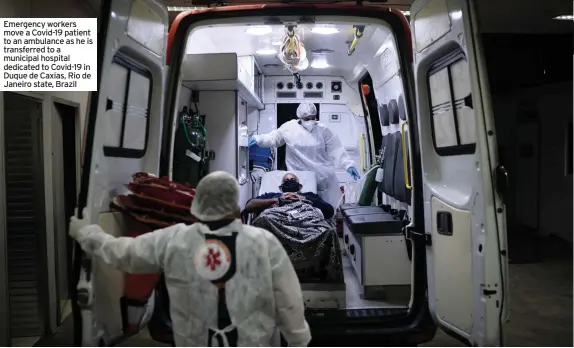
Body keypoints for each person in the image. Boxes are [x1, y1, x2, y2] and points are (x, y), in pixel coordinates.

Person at [68, 171, 311, 347]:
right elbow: (288, 298)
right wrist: (298, 339)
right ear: (235, 209)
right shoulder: (262, 242)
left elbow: (122, 253)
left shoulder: (175, 239)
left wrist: (84, 231)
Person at [248, 102, 360, 208]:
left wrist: (348, 165)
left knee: (327, 208)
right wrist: (258, 139)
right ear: (300, 118)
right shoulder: (289, 128)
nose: (310, 121)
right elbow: (273, 139)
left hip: (324, 177)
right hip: (302, 177)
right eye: (306, 119)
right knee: (302, 205)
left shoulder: (323, 130)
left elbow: (336, 149)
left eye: (313, 118)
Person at [244, 172, 334, 219]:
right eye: (286, 180)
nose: (289, 181)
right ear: (280, 188)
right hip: (275, 221)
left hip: (305, 222)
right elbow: (249, 206)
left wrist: (302, 198)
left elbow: (329, 211)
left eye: (292, 179)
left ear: (300, 187)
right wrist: (276, 200)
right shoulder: (272, 195)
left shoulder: (309, 195)